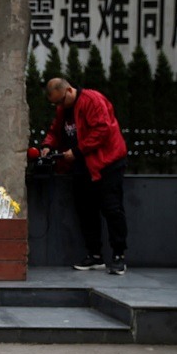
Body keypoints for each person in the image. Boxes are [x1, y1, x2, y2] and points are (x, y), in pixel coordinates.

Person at [41, 77, 128, 275]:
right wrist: (47, 145)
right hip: (83, 166)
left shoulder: (92, 100)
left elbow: (102, 130)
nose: (59, 106)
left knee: (112, 209)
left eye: (60, 101)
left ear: (69, 91)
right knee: (86, 211)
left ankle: (118, 256)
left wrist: (78, 151)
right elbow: (55, 131)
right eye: (55, 103)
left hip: (107, 163)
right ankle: (95, 255)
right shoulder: (64, 109)